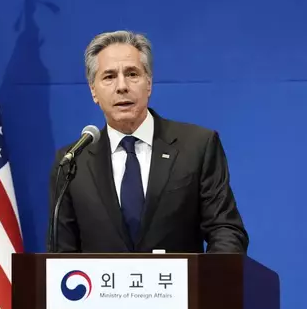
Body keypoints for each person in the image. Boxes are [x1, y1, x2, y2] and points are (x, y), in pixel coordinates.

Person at [48, 30, 248, 254]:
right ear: (93, 91)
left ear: (149, 84)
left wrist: (207, 284)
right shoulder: (72, 161)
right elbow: (61, 254)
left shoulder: (197, 146)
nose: (122, 86)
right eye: (109, 76)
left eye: (132, 74)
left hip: (182, 288)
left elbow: (226, 230)